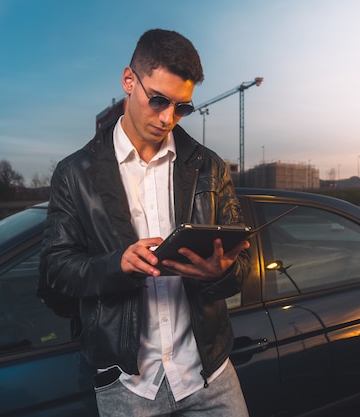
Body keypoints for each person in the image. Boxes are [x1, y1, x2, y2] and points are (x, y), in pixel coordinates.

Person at [39, 29, 251, 416]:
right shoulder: (75, 173)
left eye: (182, 107)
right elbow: (56, 270)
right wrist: (115, 265)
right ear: (128, 80)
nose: (168, 118)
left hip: (209, 375)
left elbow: (242, 269)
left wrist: (219, 272)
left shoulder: (208, 166)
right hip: (128, 384)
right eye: (158, 100)